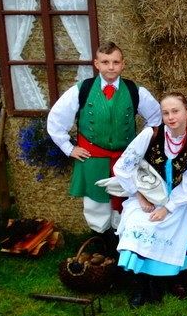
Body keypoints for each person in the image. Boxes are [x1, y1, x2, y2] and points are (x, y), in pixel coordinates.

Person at [47, 41, 161, 254]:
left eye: (116, 62)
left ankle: (122, 249)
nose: (111, 67)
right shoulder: (82, 90)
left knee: (125, 200)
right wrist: (69, 148)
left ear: (123, 64)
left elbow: (156, 117)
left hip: (124, 160)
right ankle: (100, 248)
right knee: (96, 204)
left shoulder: (135, 91)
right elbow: (56, 119)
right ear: (96, 64)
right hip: (92, 158)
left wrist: (144, 142)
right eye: (106, 62)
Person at [112, 93, 187, 307]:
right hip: (146, 194)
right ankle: (139, 285)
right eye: (166, 113)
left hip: (178, 199)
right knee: (138, 223)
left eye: (175, 111)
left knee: (169, 226)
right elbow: (123, 166)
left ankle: (157, 282)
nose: (171, 117)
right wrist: (139, 196)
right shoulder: (151, 134)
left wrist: (168, 208)